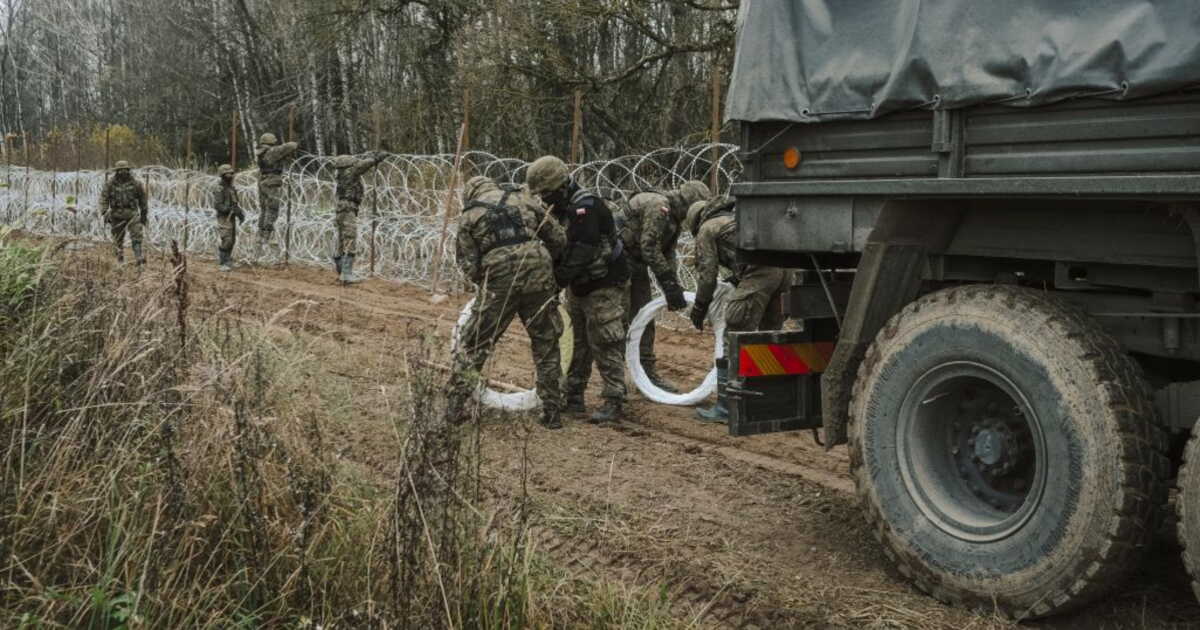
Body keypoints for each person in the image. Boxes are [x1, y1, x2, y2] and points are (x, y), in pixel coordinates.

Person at [448, 175, 568, 429]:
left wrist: (488, 284)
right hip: (539, 271)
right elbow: (558, 238)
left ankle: (455, 406)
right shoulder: (524, 199)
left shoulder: (470, 214)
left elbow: (467, 263)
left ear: (470, 193)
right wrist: (546, 264)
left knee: (475, 341)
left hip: (500, 277)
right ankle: (551, 411)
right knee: (546, 340)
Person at [526, 155, 630, 423]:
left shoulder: (586, 208)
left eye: (547, 193)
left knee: (605, 339)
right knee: (577, 343)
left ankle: (614, 399)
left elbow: (582, 251)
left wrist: (556, 281)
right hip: (580, 284)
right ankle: (573, 395)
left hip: (604, 283)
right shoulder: (562, 209)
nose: (544, 199)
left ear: (560, 186)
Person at [686, 196, 787, 423]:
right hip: (785, 272)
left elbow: (708, 275)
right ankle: (767, 403)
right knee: (768, 337)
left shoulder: (707, 229)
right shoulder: (736, 220)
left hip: (761, 274)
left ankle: (726, 408)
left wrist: (700, 307)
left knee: (735, 336)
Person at [619, 180, 711, 392]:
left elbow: (667, 252)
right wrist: (668, 282)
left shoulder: (674, 218)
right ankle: (615, 378)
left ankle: (646, 374)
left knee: (643, 316)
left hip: (636, 263)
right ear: (688, 204)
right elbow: (649, 247)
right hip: (618, 262)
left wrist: (672, 286)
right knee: (620, 318)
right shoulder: (659, 207)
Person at [331, 151, 386, 284]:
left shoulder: (340, 174)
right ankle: (347, 275)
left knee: (341, 239)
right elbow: (363, 165)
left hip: (341, 208)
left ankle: (341, 272)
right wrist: (377, 157)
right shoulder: (349, 172)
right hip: (348, 208)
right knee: (350, 238)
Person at [254, 133, 299, 262]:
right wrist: (290, 144)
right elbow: (292, 145)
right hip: (272, 180)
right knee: (273, 208)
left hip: (263, 180)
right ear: (272, 142)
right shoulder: (272, 151)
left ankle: (261, 232)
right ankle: (268, 233)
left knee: (264, 208)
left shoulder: (261, 152)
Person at [99, 160, 148, 266]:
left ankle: (138, 257)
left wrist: (144, 215)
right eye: (120, 170)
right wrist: (105, 211)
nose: (122, 172)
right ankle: (119, 259)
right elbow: (104, 198)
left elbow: (143, 200)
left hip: (132, 213)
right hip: (116, 213)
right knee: (117, 238)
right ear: (116, 171)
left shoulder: (136, 183)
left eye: (125, 170)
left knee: (136, 235)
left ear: (128, 170)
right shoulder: (110, 184)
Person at [213, 164, 244, 272]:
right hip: (224, 217)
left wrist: (240, 214)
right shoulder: (219, 188)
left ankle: (228, 260)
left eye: (232, 173)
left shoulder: (231, 188)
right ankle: (223, 262)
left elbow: (235, 204)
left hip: (232, 217)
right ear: (222, 175)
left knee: (232, 240)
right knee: (227, 239)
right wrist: (228, 209)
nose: (231, 175)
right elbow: (218, 205)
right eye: (228, 174)